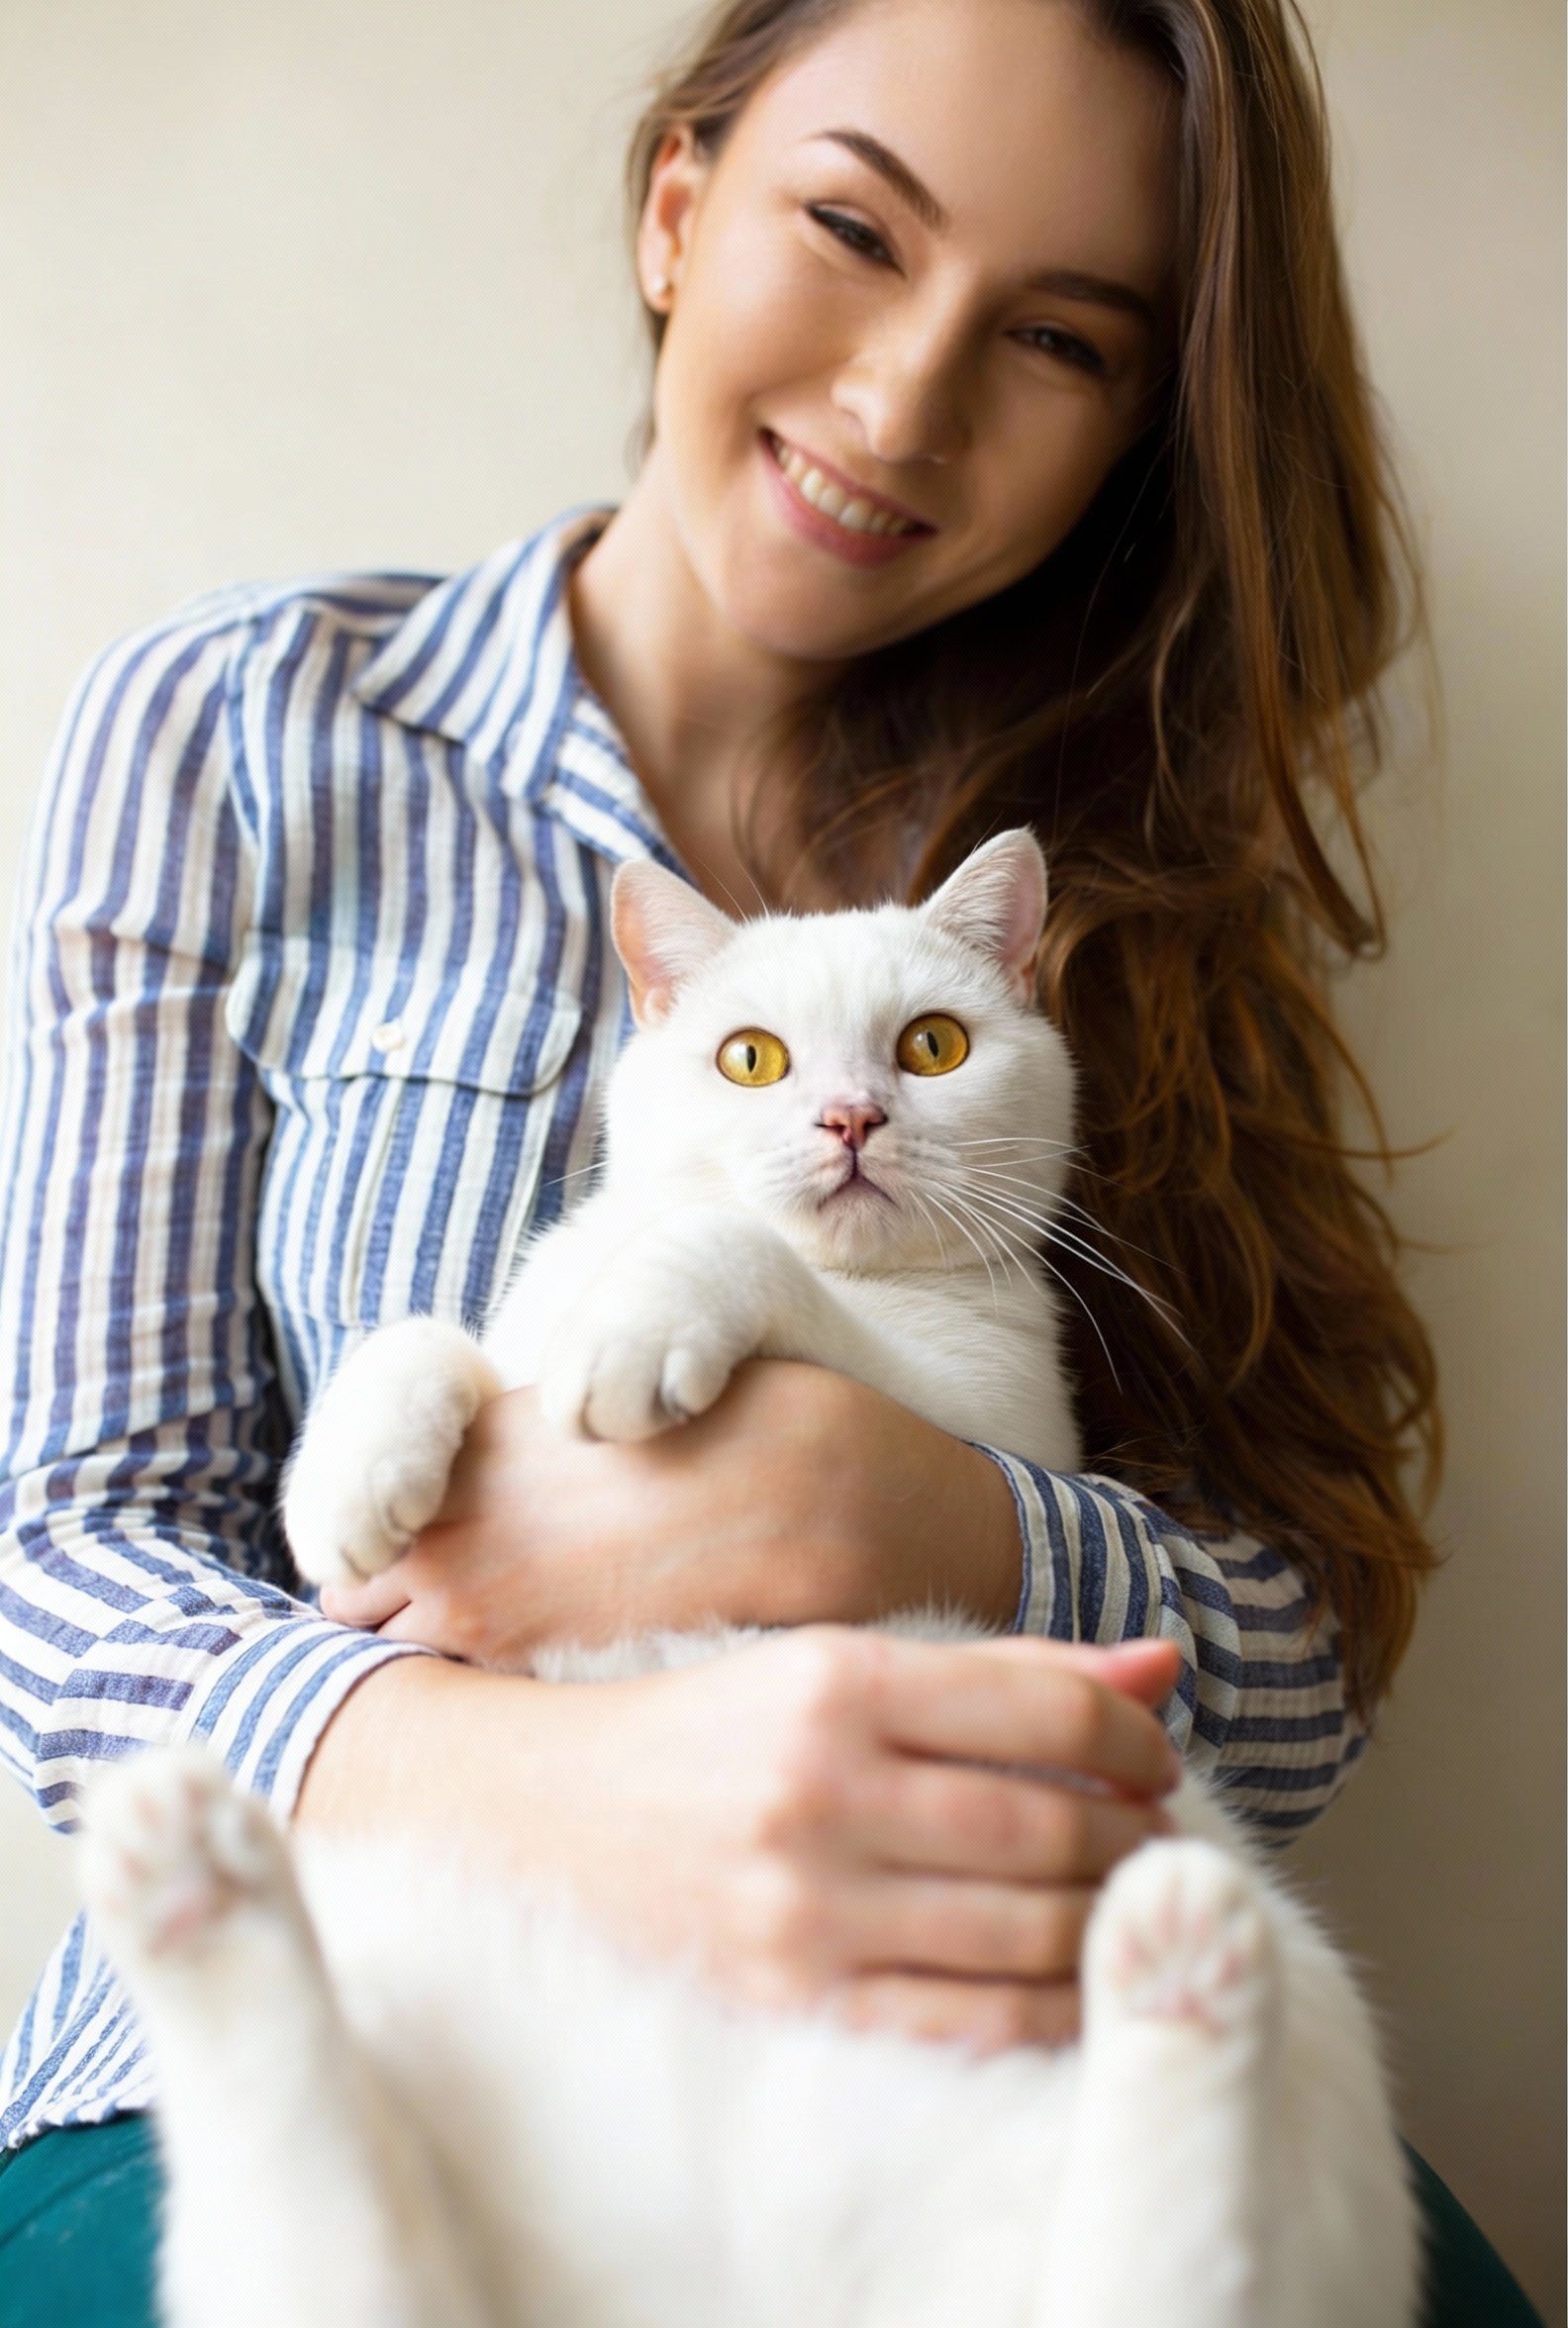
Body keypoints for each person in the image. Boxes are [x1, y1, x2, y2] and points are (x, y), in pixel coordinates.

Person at [5, 0, 1540, 2322]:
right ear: (676, 203)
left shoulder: (1135, 883)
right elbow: (63, 1559)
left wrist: (923, 1515)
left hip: (984, 2008)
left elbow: (1300, 1668)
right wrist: (565, 1794)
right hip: (398, 1989)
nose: (905, 400)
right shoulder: (237, 735)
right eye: (852, 226)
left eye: (1052, 336)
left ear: (1133, 425)